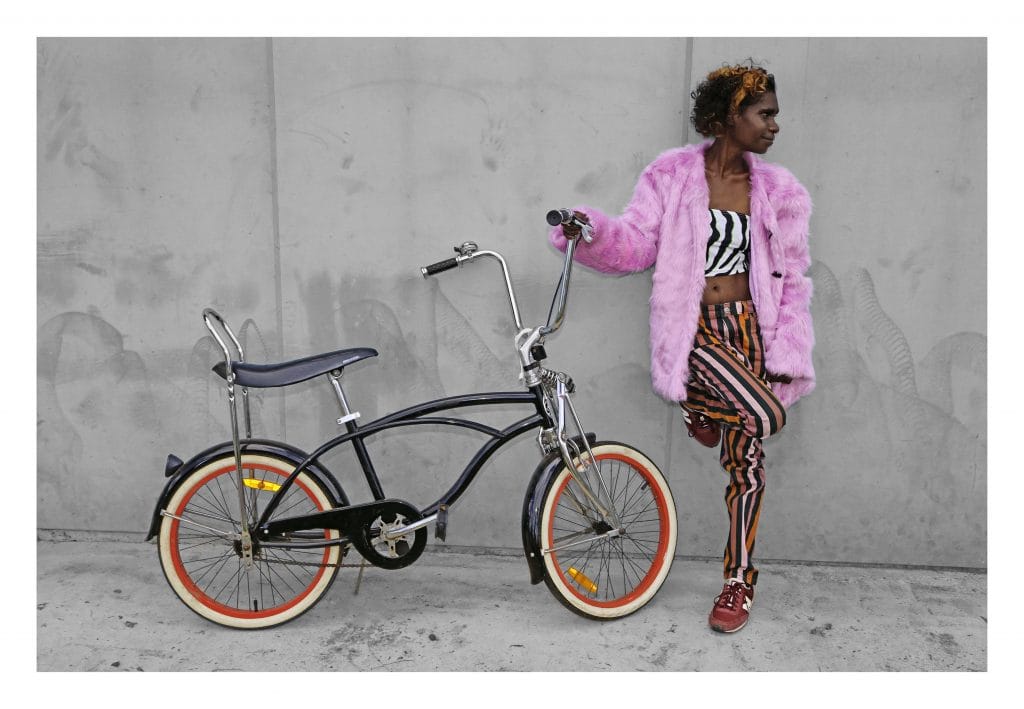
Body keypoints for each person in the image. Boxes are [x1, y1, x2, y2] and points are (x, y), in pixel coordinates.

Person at [550, 63, 814, 633]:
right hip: (694, 330)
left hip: (754, 330)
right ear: (727, 118)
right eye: (763, 113)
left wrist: (789, 352)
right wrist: (588, 230)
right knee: (766, 415)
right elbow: (636, 243)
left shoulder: (781, 191)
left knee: (747, 461)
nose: (775, 125)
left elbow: (791, 278)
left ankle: (738, 581)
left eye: (774, 113)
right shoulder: (671, 175)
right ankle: (700, 399)